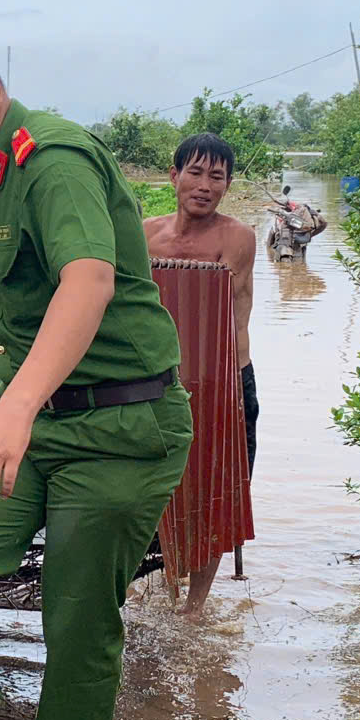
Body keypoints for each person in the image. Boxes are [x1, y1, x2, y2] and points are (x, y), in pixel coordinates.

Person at [0, 20, 193, 720]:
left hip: (120, 423)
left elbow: (87, 280)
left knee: (77, 624)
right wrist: (20, 404)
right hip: (36, 415)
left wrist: (14, 406)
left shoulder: (51, 159)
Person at [143, 133, 258, 620]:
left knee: (218, 495)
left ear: (228, 185)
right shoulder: (144, 234)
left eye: (217, 176)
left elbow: (222, 311)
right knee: (150, 491)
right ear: (174, 176)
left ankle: (194, 610)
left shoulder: (238, 238)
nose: (204, 185)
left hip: (225, 383)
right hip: (157, 383)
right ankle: (159, 589)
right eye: (195, 172)